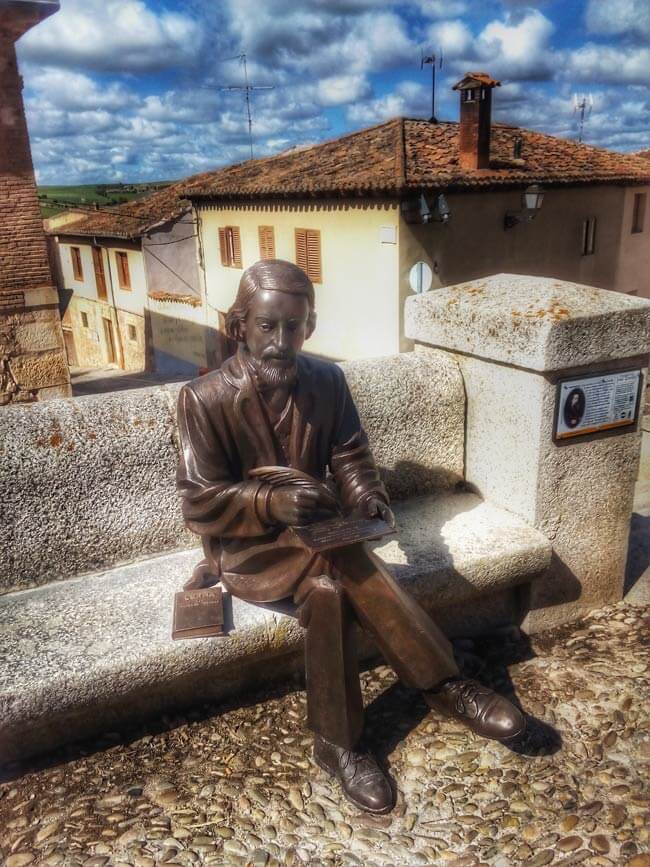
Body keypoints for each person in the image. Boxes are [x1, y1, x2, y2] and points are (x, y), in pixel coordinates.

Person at [176, 259, 525, 814]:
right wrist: (268, 500)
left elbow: (350, 455)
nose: (281, 342)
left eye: (294, 326)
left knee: (328, 592)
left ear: (309, 327)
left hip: (323, 537)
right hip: (251, 549)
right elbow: (199, 499)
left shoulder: (327, 381)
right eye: (268, 327)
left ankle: (338, 743)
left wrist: (367, 496)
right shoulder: (204, 398)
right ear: (240, 326)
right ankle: (445, 685)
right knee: (341, 565)